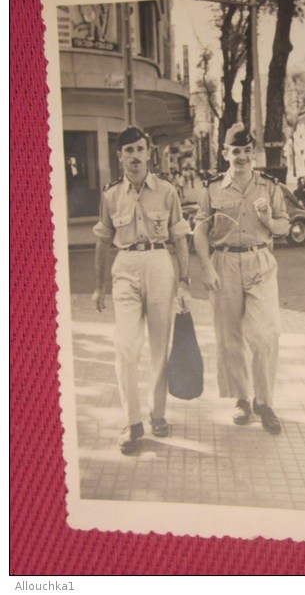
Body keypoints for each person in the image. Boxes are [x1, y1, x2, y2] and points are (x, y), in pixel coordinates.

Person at [92, 126, 192, 454]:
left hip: (160, 264)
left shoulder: (167, 191)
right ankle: (132, 421)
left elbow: (180, 239)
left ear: (148, 153)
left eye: (139, 149)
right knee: (125, 346)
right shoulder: (110, 195)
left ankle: (157, 413)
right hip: (125, 269)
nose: (134, 156)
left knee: (158, 346)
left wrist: (183, 281)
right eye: (128, 151)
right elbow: (103, 240)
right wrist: (99, 286)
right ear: (119, 156)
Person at [193, 122, 290, 435]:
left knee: (266, 334)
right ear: (225, 153)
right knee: (229, 335)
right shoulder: (211, 189)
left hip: (259, 260)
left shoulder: (269, 186)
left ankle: (265, 401)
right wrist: (206, 267)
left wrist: (266, 219)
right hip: (224, 262)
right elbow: (199, 230)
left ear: (253, 153)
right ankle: (242, 399)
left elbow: (283, 227)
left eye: (247, 151)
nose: (242, 157)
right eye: (236, 151)